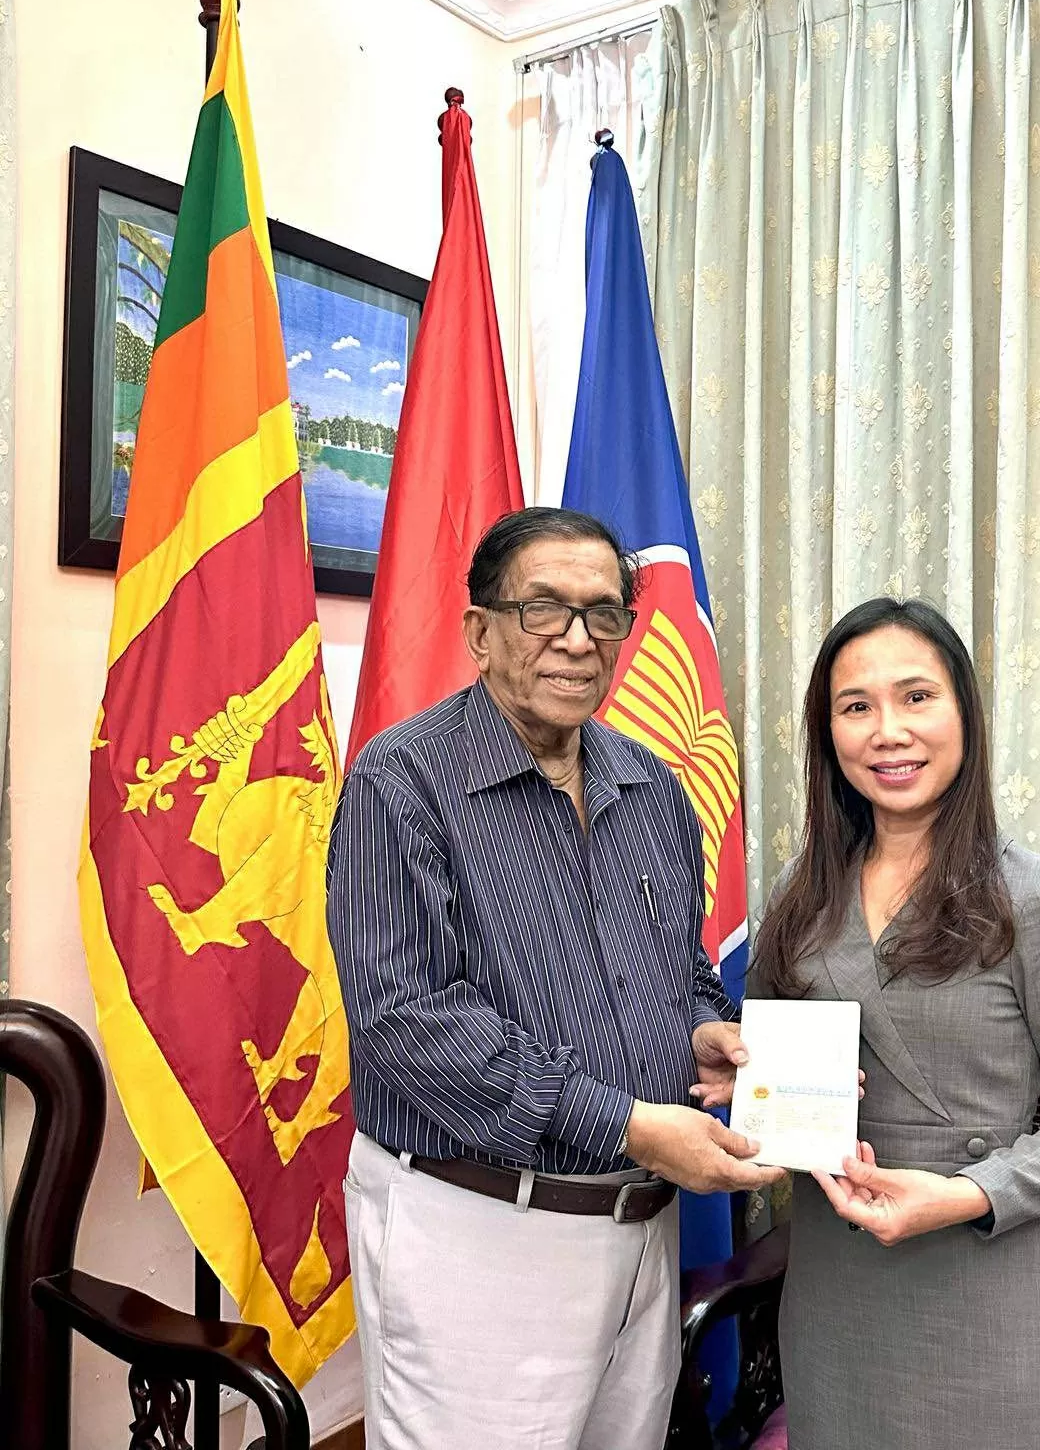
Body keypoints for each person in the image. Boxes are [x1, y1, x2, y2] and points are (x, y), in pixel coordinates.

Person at [326, 506, 783, 1450]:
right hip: (477, 1230)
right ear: (480, 633)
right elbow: (409, 1022)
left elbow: (682, 964)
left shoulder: (653, 787)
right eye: (544, 609)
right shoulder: (400, 781)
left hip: (640, 1232)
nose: (578, 640)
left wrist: (701, 1028)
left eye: (604, 613)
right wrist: (624, 1123)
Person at [751, 596, 1040, 1450]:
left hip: (987, 1289)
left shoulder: (1035, 901)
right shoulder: (799, 895)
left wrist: (969, 1193)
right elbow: (769, 1064)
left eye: (917, 697)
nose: (887, 730)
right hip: (837, 1295)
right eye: (856, 707)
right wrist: (738, 1072)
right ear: (829, 734)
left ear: (964, 712)